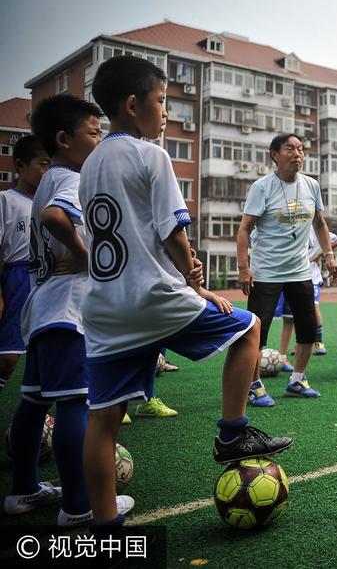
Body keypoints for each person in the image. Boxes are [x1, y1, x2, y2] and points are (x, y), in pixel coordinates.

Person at [79, 56, 293, 534]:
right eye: (161, 102)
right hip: (153, 296)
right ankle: (233, 435)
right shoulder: (150, 155)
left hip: (104, 308)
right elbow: (173, 233)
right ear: (134, 106)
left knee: (104, 421)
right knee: (250, 326)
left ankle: (104, 526)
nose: (167, 114)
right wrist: (197, 285)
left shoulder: (89, 164)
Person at [4, 95, 112, 527]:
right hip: (68, 309)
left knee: (33, 403)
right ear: (64, 140)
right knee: (75, 403)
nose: (100, 140)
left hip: (43, 306)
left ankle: (24, 489)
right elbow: (53, 218)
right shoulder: (69, 178)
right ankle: (79, 506)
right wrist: (85, 253)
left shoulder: (50, 177)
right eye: (93, 132)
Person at [237, 133, 337, 403]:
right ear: (274, 154)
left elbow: (320, 224)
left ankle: (297, 379)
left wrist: (329, 255)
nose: (297, 154)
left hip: (300, 272)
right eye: (290, 149)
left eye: (301, 149)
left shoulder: (311, 186)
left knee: (308, 329)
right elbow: (245, 229)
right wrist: (243, 267)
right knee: (257, 333)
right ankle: (254, 386)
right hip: (266, 273)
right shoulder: (262, 187)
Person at [0, 136, 49, 396]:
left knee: (44, 356)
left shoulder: (54, 204)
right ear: (19, 165)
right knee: (8, 358)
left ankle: (38, 420)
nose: (48, 171)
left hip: (46, 280)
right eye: (43, 164)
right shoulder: (6, 201)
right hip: (17, 280)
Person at [275, 229, 337, 359]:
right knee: (291, 316)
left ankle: (318, 342)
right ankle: (293, 349)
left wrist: (319, 254)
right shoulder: (290, 226)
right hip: (292, 277)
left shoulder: (315, 227)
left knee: (312, 309)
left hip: (312, 277)